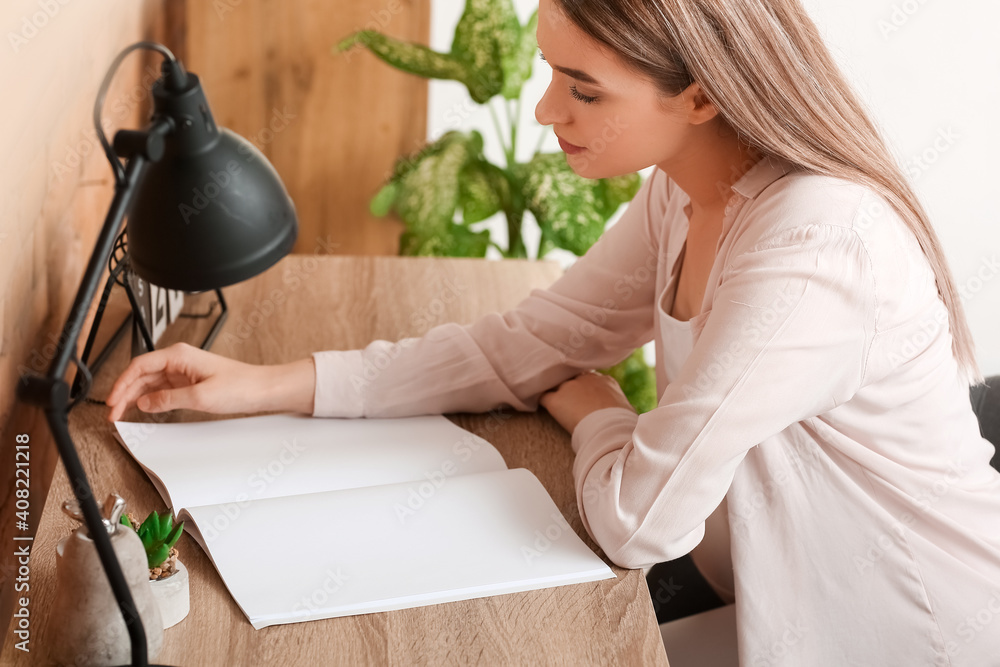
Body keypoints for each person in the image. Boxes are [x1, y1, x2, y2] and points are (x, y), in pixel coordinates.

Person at [107, 0, 1000, 663]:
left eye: (582, 89)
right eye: (550, 73)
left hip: (907, 632)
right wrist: (263, 384)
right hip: (765, 592)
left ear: (699, 95)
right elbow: (527, 346)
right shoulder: (685, 193)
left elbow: (636, 522)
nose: (544, 111)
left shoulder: (813, 251)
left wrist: (603, 412)